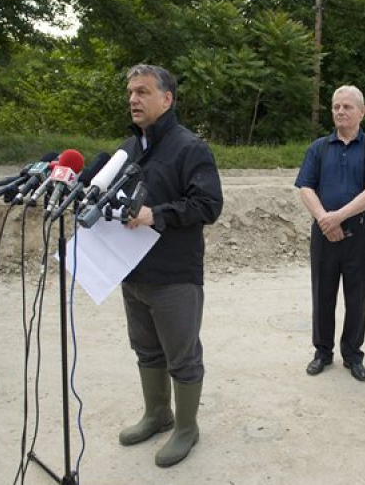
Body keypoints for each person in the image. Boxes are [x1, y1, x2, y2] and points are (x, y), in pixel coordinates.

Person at [116, 64, 223, 468]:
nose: (133, 99)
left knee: (182, 356)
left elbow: (209, 205)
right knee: (145, 349)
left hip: (175, 274)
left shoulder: (190, 147)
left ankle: (186, 428)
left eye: (143, 92)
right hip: (131, 270)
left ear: (167, 99)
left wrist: (154, 213)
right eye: (130, 92)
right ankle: (157, 414)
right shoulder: (129, 149)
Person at [295, 85, 365, 382]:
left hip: (360, 234)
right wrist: (325, 219)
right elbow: (305, 187)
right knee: (322, 294)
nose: (340, 111)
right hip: (323, 233)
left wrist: (339, 216)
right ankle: (322, 352)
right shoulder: (319, 148)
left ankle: (352, 354)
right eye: (336, 106)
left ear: (362, 112)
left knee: (357, 297)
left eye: (347, 107)